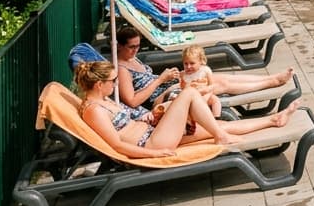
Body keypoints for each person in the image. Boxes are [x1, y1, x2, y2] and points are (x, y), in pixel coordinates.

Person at [75, 60, 300, 154]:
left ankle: (273, 120)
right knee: (190, 93)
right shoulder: (94, 111)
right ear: (98, 84)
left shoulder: (104, 101)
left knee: (220, 124)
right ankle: (219, 135)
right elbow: (117, 145)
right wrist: (155, 155)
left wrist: (148, 117)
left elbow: (131, 121)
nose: (115, 84)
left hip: (155, 131)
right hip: (152, 143)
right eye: (112, 81)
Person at [113, 27, 294, 109]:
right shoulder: (122, 69)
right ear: (119, 46)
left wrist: (171, 76)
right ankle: (271, 82)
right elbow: (133, 101)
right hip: (161, 98)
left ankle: (269, 79)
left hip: (167, 85)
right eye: (132, 47)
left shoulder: (132, 59)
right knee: (219, 86)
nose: (136, 50)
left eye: (138, 46)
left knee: (217, 77)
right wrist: (161, 79)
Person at [169, 45, 221, 119]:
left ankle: (216, 118)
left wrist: (206, 92)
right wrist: (183, 81)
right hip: (191, 97)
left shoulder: (205, 71)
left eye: (192, 63)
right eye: (185, 64)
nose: (188, 66)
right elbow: (183, 88)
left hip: (204, 94)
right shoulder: (183, 74)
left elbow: (212, 85)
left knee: (215, 100)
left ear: (201, 61)